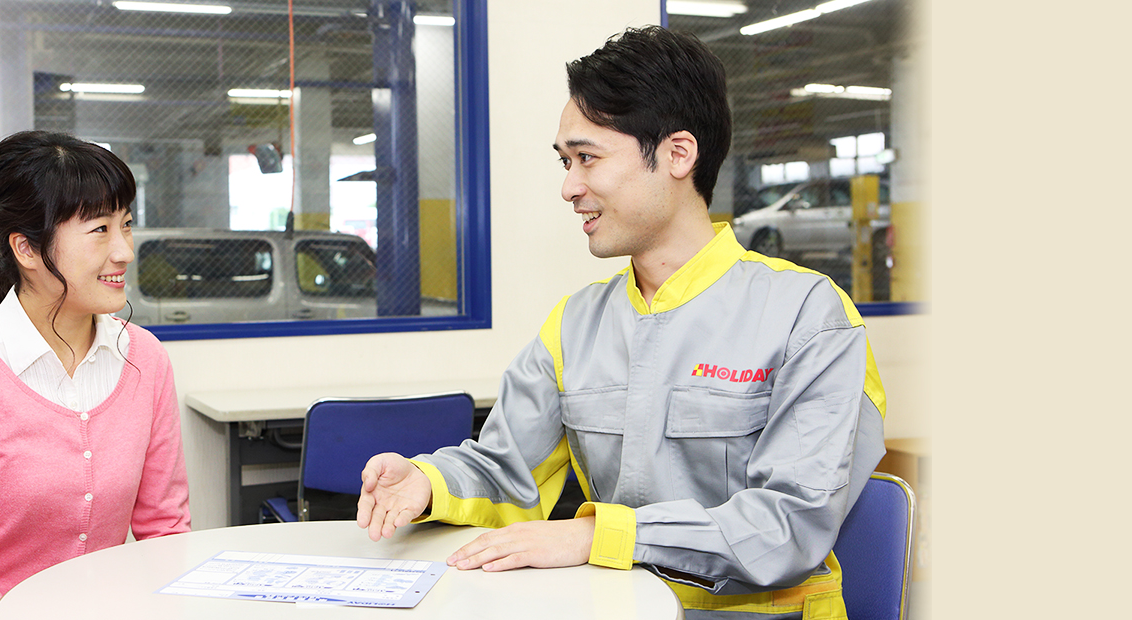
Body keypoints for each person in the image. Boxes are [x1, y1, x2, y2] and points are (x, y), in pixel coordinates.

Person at [356, 26, 885, 620]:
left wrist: (593, 536)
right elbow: (507, 471)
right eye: (565, 162)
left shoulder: (809, 317)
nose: (569, 187)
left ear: (678, 154)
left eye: (587, 158)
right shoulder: (575, 324)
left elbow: (789, 525)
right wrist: (427, 483)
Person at [0, 131, 190, 620]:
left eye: (126, 224)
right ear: (27, 249)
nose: (124, 251)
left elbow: (165, 532)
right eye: (99, 229)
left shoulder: (145, 359)